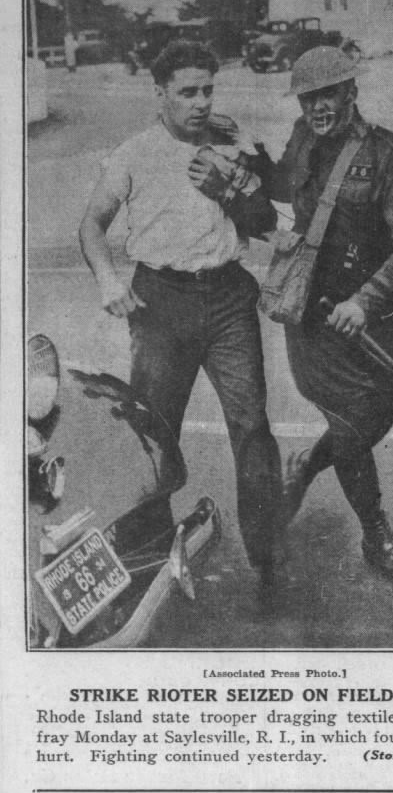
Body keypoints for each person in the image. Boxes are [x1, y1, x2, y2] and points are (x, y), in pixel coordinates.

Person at [79, 40, 283, 589]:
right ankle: (150, 561)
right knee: (153, 434)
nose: (199, 102)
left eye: (207, 90)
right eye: (187, 91)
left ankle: (265, 562)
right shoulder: (134, 153)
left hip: (227, 301)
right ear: (161, 94)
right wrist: (108, 281)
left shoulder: (231, 144)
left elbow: (267, 218)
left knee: (253, 427)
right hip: (160, 303)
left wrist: (248, 157)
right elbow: (91, 226)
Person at [263, 46, 393, 583]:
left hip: (365, 316)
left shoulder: (386, 153)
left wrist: (365, 300)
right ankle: (376, 533)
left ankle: (308, 465)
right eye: (308, 97)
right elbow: (279, 186)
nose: (317, 107)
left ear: (351, 92)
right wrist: (245, 158)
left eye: (328, 94)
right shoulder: (301, 138)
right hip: (311, 316)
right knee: (351, 420)